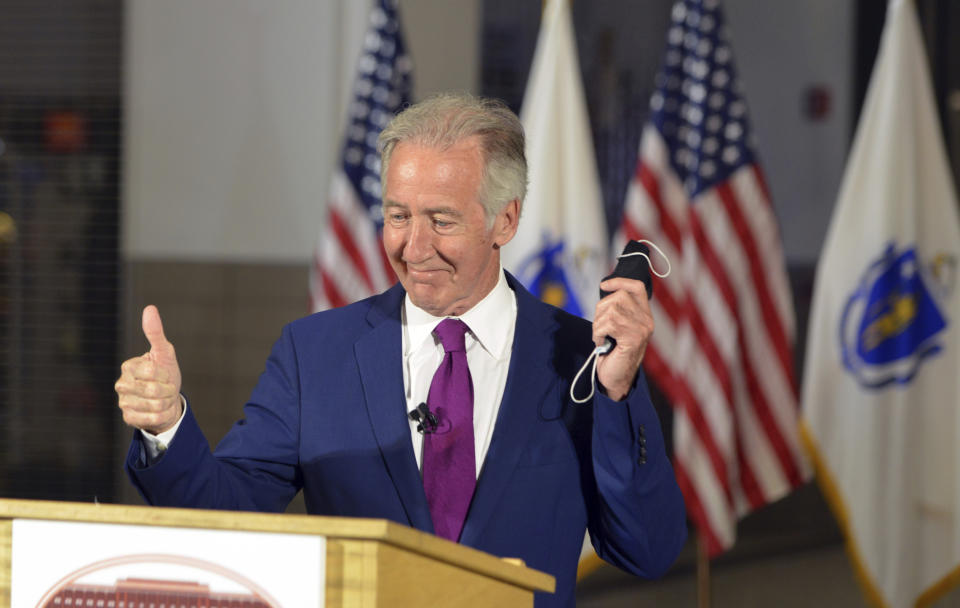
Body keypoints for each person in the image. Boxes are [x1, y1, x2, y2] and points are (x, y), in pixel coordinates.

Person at [115, 92, 686, 608]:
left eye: (441, 220)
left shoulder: (579, 361)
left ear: (505, 220)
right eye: (398, 216)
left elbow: (648, 550)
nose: (414, 247)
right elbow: (226, 516)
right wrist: (167, 428)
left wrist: (615, 392)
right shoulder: (314, 355)